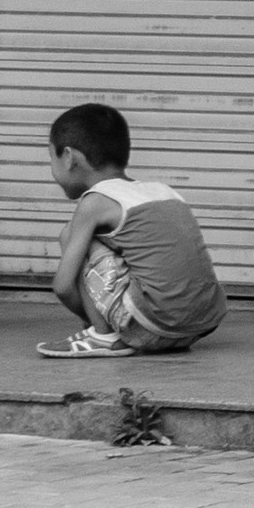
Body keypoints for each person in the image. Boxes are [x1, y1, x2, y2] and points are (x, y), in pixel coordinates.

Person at [39, 102, 225, 360]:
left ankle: (103, 337)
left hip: (152, 327)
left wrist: (94, 318)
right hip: (201, 324)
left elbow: (63, 286)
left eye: (51, 157)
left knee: (70, 235)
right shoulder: (164, 192)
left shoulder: (95, 201)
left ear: (69, 157)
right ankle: (117, 329)